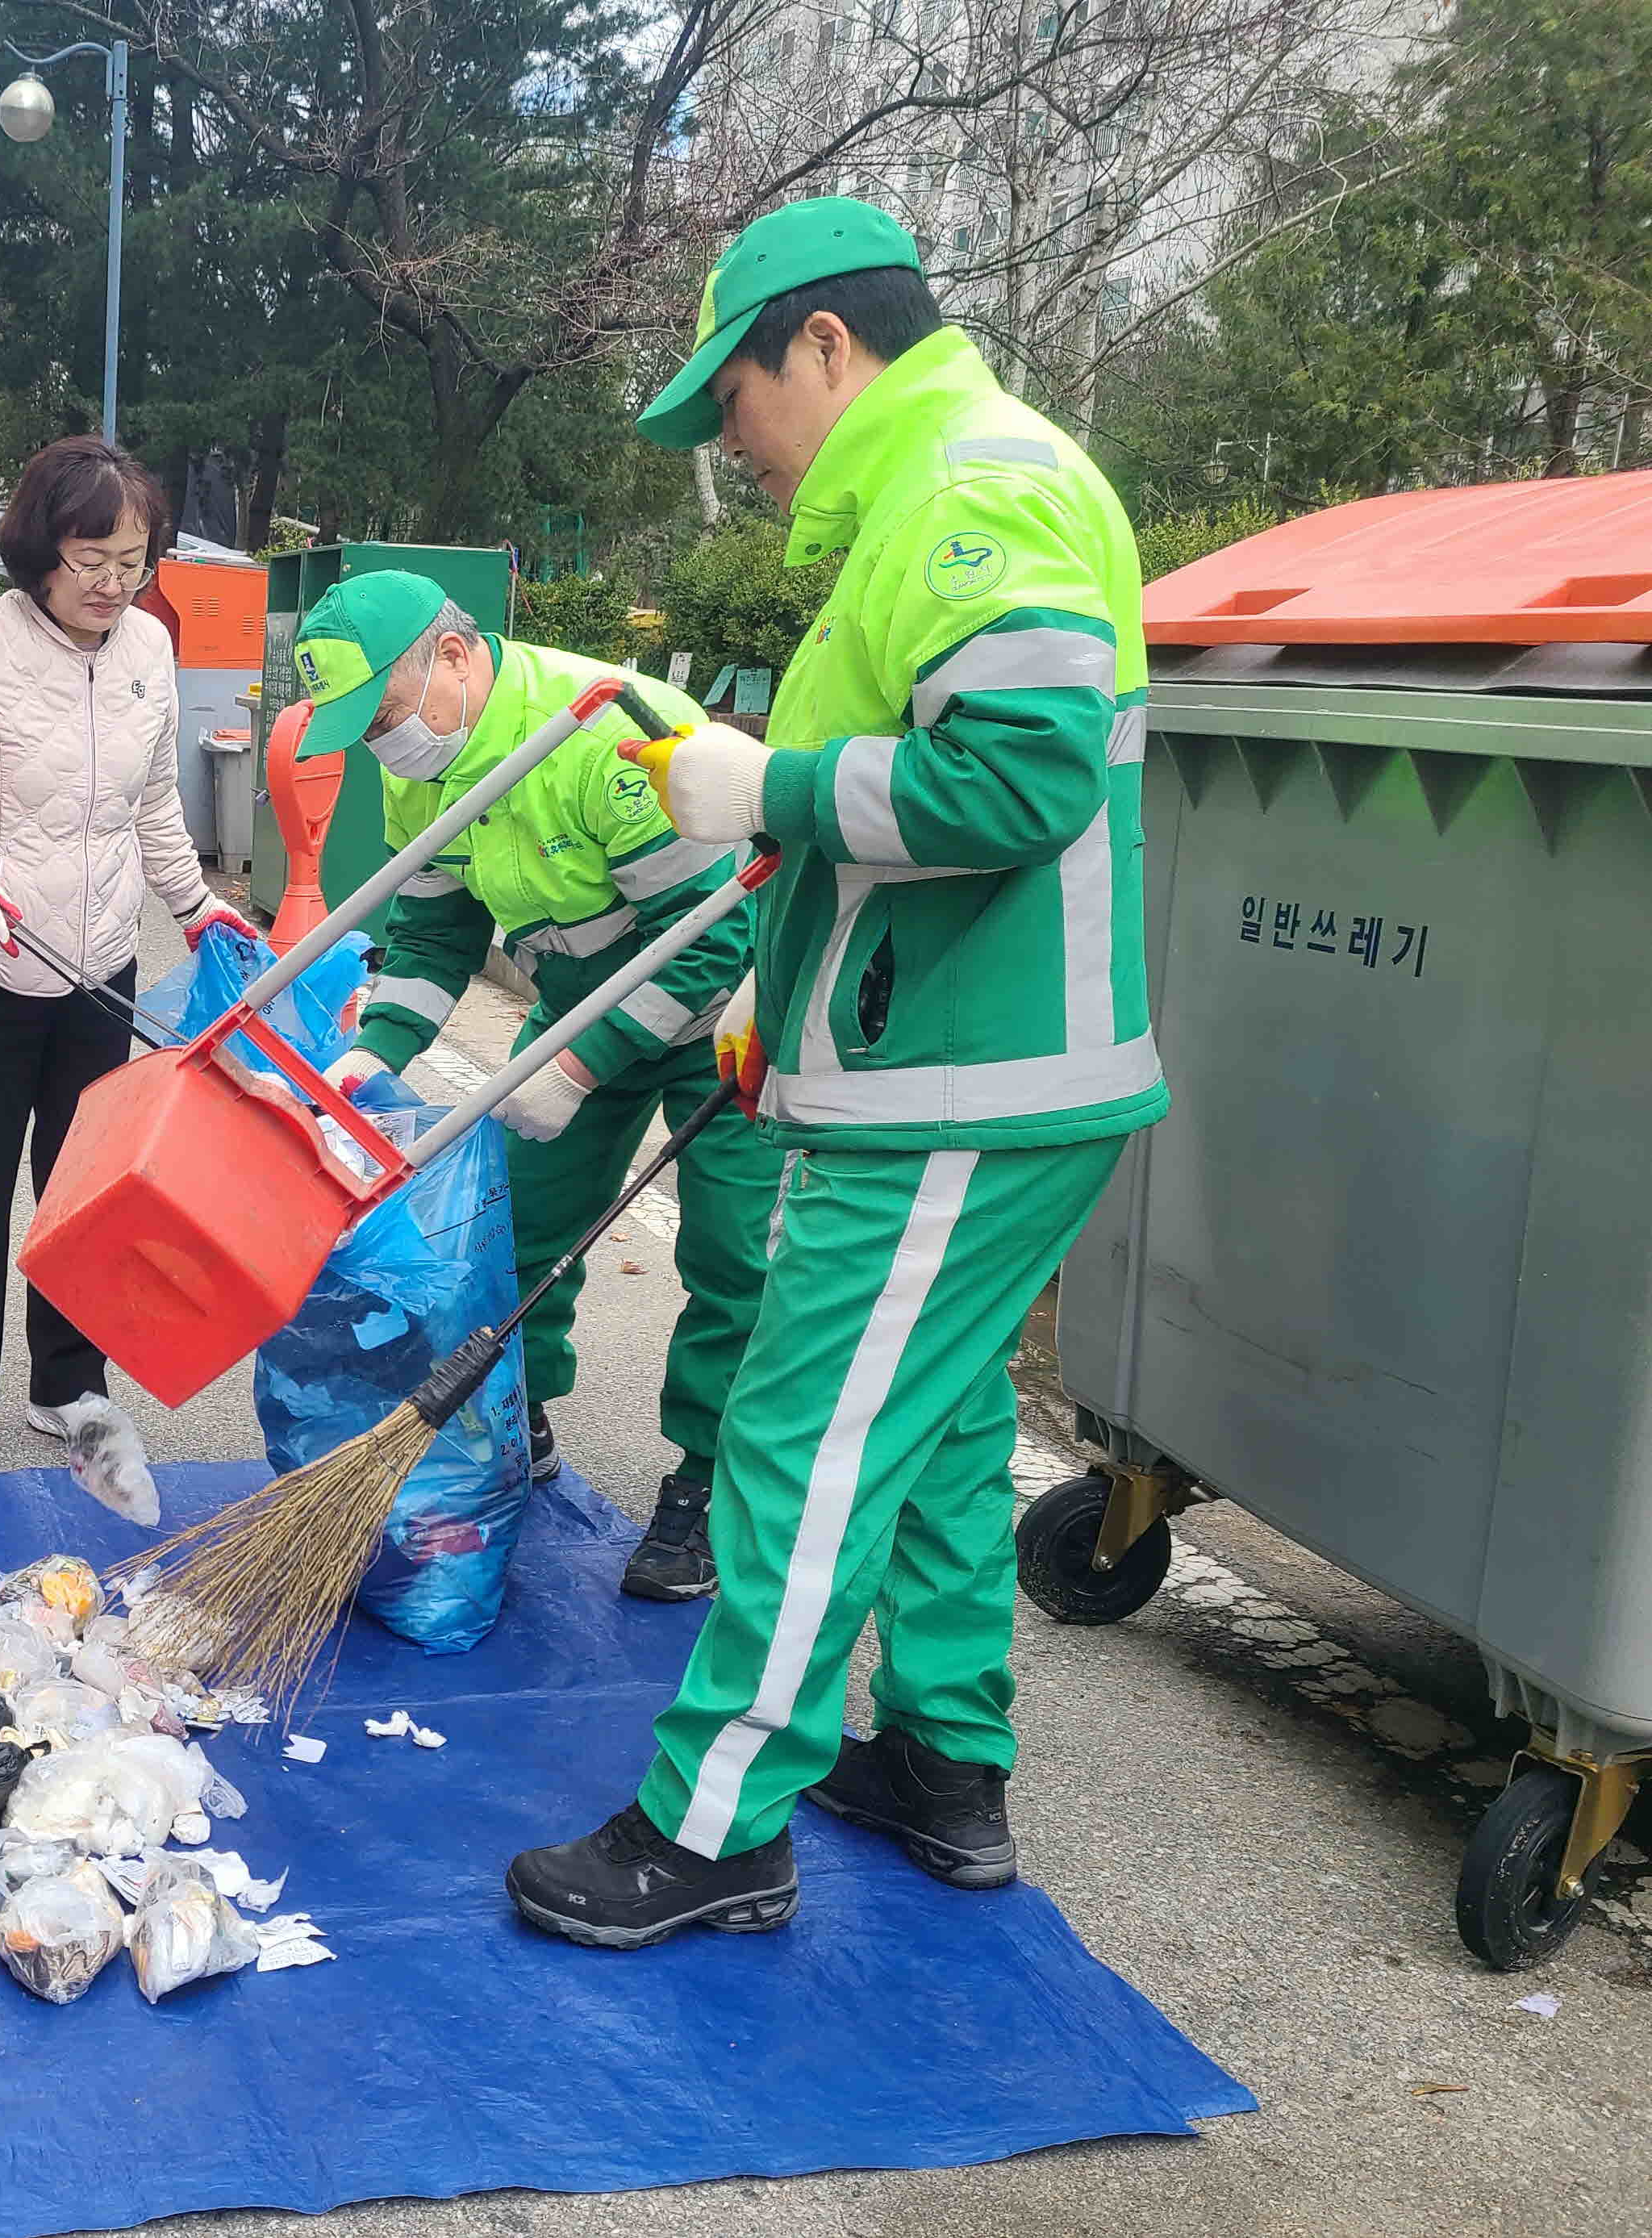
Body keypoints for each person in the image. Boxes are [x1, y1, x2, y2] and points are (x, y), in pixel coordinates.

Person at [505, 198, 1164, 1950]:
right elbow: (917, 805)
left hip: (966, 1084)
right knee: (941, 1427)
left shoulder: (972, 489)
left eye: (732, 399)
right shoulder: (953, 487)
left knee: (799, 1441)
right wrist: (771, 999)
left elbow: (1021, 784)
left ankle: (716, 1827)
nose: (733, 444)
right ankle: (946, 1766)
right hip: (984, 1071)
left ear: (822, 345)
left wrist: (763, 792)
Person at [288, 572, 779, 1601]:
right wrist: (375, 1049)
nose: (385, 746)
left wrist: (576, 1065)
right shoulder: (419, 764)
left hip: (728, 1009)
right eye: (362, 731)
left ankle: (706, 1486)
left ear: (456, 657)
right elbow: (435, 930)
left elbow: (707, 943)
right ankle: (520, 1417)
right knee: (512, 1234)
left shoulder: (604, 738)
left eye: (384, 714)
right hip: (579, 1000)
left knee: (733, 1257)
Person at [0, 434, 256, 1487]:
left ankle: (66, 1381)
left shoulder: (147, 651)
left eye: (133, 562)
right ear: (40, 548)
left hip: (101, 964)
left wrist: (197, 908)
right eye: (92, 559)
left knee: (84, 1188)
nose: (113, 584)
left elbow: (154, 804)